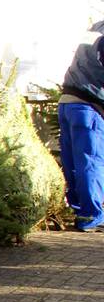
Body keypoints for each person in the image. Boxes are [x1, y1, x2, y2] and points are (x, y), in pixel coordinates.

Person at [59, 20, 104, 232]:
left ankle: (80, 211)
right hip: (89, 105)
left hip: (68, 101)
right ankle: (91, 215)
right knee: (91, 162)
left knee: (73, 162)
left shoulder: (96, 28)